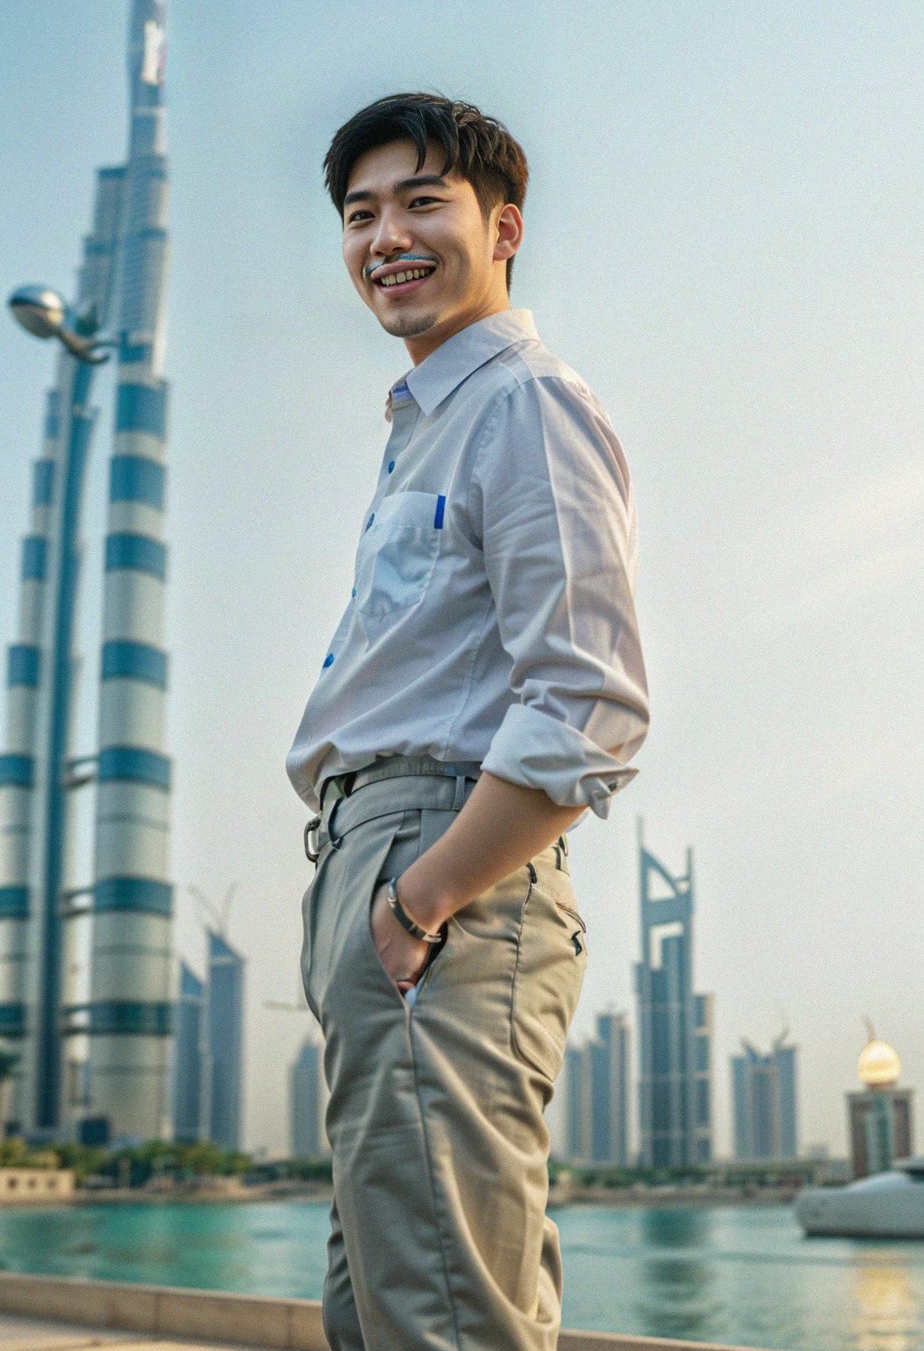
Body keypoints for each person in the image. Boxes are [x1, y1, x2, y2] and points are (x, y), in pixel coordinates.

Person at [288, 92, 648, 1351]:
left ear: (503, 228)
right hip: (371, 864)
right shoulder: (424, 427)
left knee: (443, 1314)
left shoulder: (525, 405)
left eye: (420, 202)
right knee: (385, 1304)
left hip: (439, 870)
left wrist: (419, 900)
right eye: (359, 213)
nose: (385, 235)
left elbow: (587, 707)